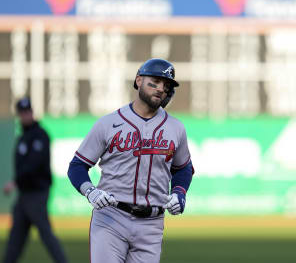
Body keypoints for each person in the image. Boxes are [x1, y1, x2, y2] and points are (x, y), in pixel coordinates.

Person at [67, 58, 194, 263]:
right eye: (155, 81)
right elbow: (77, 166)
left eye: (166, 85)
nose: (161, 88)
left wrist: (179, 193)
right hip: (111, 217)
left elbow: (183, 168)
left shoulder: (176, 128)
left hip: (152, 224)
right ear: (138, 81)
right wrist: (90, 191)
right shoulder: (109, 123)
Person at [2, 97, 68, 263]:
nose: (25, 116)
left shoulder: (40, 135)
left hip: (37, 193)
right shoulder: (22, 138)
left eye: (27, 112)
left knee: (46, 234)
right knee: (15, 239)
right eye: (22, 113)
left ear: (32, 112)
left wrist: (15, 181)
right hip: (24, 195)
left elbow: (34, 164)